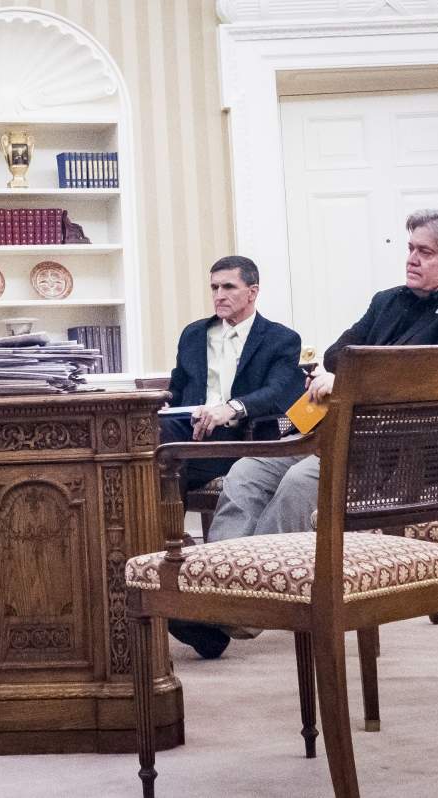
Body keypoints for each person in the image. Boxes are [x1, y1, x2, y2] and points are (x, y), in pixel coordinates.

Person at [207, 207, 438, 550]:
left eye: (425, 252)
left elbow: (435, 390)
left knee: (300, 482)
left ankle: (267, 586)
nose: (411, 259)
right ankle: (225, 580)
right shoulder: (389, 301)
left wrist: (349, 384)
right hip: (340, 438)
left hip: (407, 458)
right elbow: (337, 354)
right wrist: (340, 376)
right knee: (247, 472)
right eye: (410, 248)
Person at [161, 255, 305, 660]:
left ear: (252, 292)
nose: (219, 295)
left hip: (239, 440)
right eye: (214, 288)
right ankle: (184, 569)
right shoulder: (194, 334)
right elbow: (177, 388)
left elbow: (280, 392)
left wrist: (233, 407)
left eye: (228, 287)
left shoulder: (280, 339)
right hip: (187, 431)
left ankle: (180, 577)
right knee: (144, 458)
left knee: (151, 467)